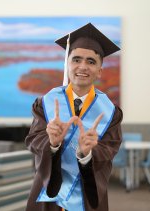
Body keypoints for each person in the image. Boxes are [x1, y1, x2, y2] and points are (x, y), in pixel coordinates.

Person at [25, 23, 123, 211]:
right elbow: (32, 141)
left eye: (91, 61)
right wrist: (52, 143)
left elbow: (110, 150)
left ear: (100, 71)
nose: (83, 67)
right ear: (67, 64)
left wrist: (86, 154)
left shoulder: (111, 113)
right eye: (76, 59)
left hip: (87, 195)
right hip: (48, 194)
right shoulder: (46, 103)